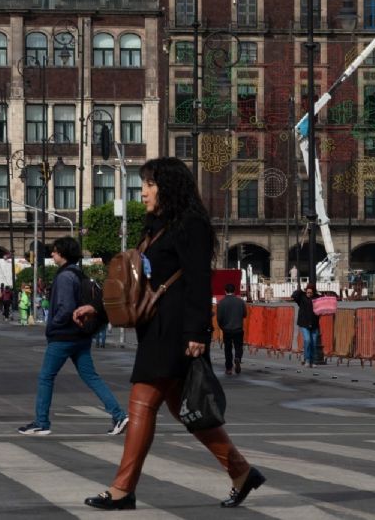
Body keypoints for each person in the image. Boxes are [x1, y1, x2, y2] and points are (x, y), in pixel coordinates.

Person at [75, 157, 264, 511]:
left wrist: (198, 333)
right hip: (156, 329)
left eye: (149, 184)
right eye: (143, 183)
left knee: (142, 403)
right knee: (187, 411)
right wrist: (99, 309)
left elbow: (197, 281)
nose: (143, 191)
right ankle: (241, 471)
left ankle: (122, 488)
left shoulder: (191, 225)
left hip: (176, 331)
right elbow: (136, 285)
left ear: (169, 187)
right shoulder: (155, 227)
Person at [18, 236, 128, 437]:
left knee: (46, 377)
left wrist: (53, 325)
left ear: (64, 253)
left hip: (64, 336)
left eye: (55, 251)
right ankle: (119, 415)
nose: (52, 253)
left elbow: (66, 307)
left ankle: (42, 422)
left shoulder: (65, 277)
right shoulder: (78, 274)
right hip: (80, 336)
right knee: (91, 377)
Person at [216, 283, 247, 375]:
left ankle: (229, 368)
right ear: (234, 291)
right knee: (239, 346)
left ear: (225, 291)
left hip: (227, 329)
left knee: (228, 349)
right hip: (238, 328)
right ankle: (237, 357)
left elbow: (219, 318)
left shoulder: (221, 302)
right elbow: (245, 314)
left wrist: (222, 327)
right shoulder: (240, 301)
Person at [291, 283, 320, 368]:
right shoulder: (302, 297)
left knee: (314, 343)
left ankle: (313, 360)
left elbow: (324, 303)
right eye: (308, 292)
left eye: (311, 293)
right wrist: (300, 290)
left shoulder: (317, 298)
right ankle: (307, 360)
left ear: (313, 292)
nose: (309, 294)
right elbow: (294, 296)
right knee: (307, 340)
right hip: (304, 323)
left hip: (314, 324)